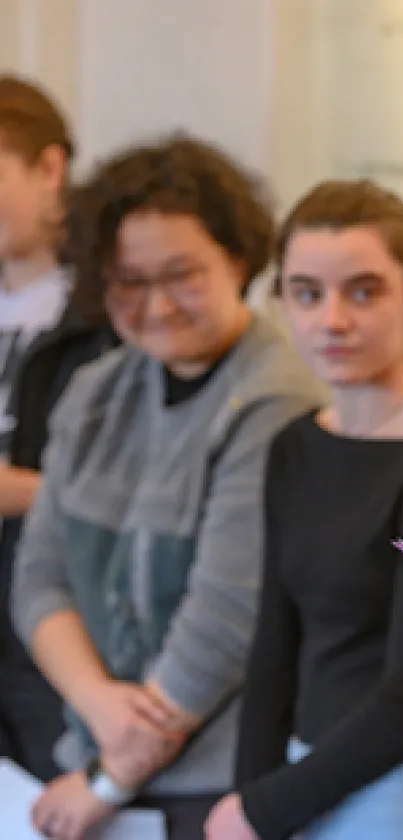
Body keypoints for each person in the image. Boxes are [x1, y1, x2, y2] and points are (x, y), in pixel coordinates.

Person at [10, 135, 325, 840]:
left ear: (237, 259)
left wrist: (112, 772)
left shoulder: (275, 397)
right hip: (93, 758)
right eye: (128, 280)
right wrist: (98, 706)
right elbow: (39, 577)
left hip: (217, 787)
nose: (156, 304)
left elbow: (224, 619)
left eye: (181, 274)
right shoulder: (96, 391)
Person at [203, 180, 403, 840]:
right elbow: (274, 646)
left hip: (401, 790)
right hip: (301, 779)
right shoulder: (296, 446)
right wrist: (250, 797)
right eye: (307, 293)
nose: (331, 320)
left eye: (363, 292)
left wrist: (265, 809)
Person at [0, 73, 117, 783]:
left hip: (64, 638)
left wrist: (23, 492)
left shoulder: (113, 315)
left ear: (50, 169)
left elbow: (144, 495)